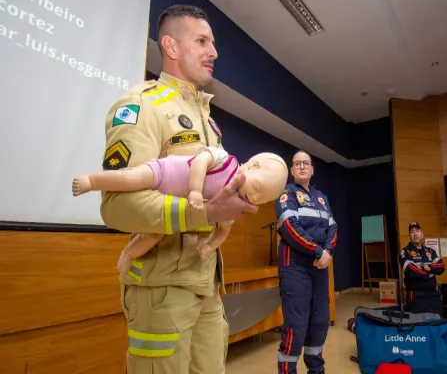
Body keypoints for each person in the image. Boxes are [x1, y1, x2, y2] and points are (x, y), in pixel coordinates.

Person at [99, 5, 258, 374]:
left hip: (206, 282)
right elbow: (116, 205)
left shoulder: (208, 120)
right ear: (170, 46)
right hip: (161, 290)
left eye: (212, 43)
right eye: (202, 41)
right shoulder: (141, 105)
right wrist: (205, 211)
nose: (213, 51)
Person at [73, 148, 287, 271]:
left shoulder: (232, 205)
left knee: (154, 233)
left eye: (262, 200)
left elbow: (224, 230)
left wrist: (209, 247)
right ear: (253, 166)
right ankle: (92, 181)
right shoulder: (226, 160)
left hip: (171, 203)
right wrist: (195, 190)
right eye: (257, 188)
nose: (255, 198)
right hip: (163, 173)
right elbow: (201, 160)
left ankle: (129, 254)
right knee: (131, 178)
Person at [275, 150, 338, 374]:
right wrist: (318, 251)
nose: (302, 166)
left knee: (320, 320)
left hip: (319, 267)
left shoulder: (321, 198)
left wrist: (327, 251)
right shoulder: (286, 193)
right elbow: (290, 228)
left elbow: (333, 227)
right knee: (296, 324)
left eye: (306, 163)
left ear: (312, 169)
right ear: (292, 170)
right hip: (295, 268)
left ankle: (316, 370)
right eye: (297, 163)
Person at [399, 222, 445, 316]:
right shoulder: (405, 252)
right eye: (412, 232)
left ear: (422, 234)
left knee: (436, 322)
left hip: (432, 296)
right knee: (417, 323)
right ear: (409, 235)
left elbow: (441, 266)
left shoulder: (431, 251)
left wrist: (426, 267)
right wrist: (429, 273)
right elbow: (411, 271)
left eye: (417, 231)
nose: (415, 234)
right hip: (416, 297)